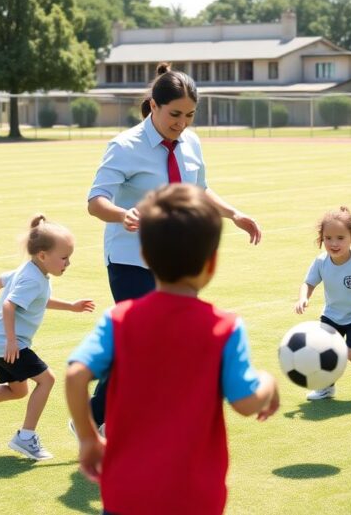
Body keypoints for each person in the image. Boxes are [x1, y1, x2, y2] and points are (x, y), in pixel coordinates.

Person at [66, 184, 279, 515]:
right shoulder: (224, 327)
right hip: (194, 498)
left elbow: (76, 375)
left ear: (144, 256)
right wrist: (269, 383)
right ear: (211, 262)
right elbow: (246, 403)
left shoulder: (119, 320)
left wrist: (88, 439)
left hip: (125, 493)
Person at [85, 62, 262, 429]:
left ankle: (97, 415)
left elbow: (200, 190)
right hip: (131, 259)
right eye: (175, 114)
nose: (182, 123)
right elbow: (95, 202)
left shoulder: (191, 143)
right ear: (154, 105)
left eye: (190, 115)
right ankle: (104, 419)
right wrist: (123, 214)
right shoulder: (124, 146)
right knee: (142, 342)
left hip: (177, 261)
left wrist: (233, 213)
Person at [0, 215, 95, 460]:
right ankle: (25, 437)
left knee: (18, 390)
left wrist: (70, 306)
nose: (68, 263)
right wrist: (12, 340)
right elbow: (9, 305)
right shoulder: (33, 278)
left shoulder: (31, 270)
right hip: (7, 343)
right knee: (47, 380)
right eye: (64, 257)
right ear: (43, 255)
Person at [294, 207, 351, 400]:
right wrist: (303, 297)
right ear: (321, 238)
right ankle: (326, 387)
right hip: (331, 314)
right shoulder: (321, 262)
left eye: (340, 238)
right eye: (328, 238)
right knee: (323, 350)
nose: (334, 243)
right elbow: (308, 283)